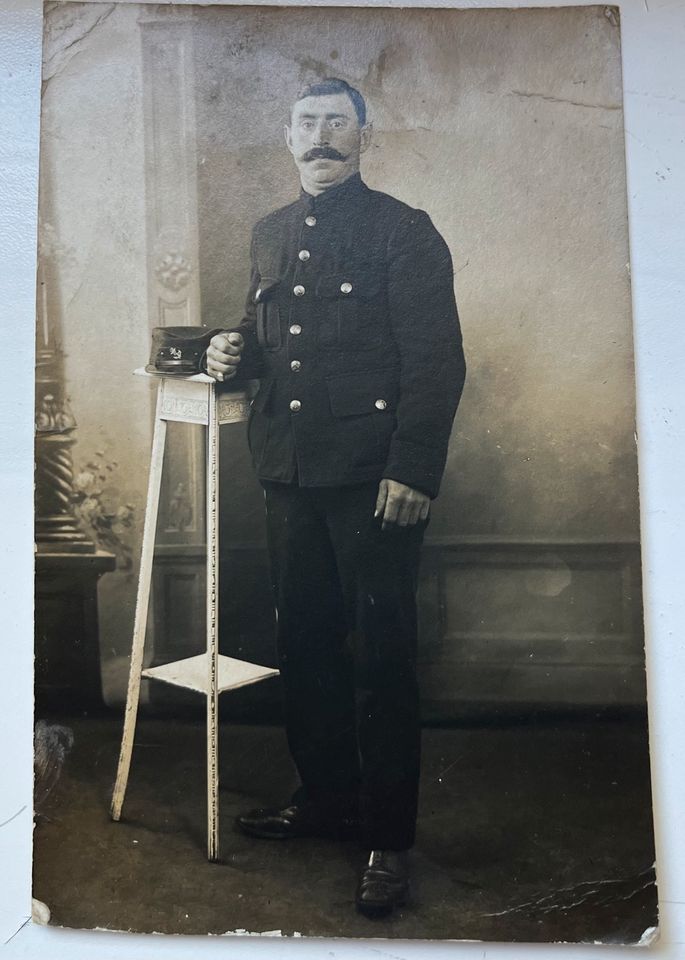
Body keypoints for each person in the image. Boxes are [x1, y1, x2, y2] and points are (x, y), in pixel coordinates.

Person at [205, 77, 466, 918]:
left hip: (372, 479)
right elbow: (274, 344)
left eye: (336, 124)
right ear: (287, 137)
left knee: (381, 660)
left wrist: (412, 471)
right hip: (288, 472)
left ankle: (387, 839)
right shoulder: (270, 232)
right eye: (307, 123)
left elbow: (436, 363)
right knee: (308, 645)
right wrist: (227, 353)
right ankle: (324, 801)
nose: (321, 137)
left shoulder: (402, 231)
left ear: (363, 137)